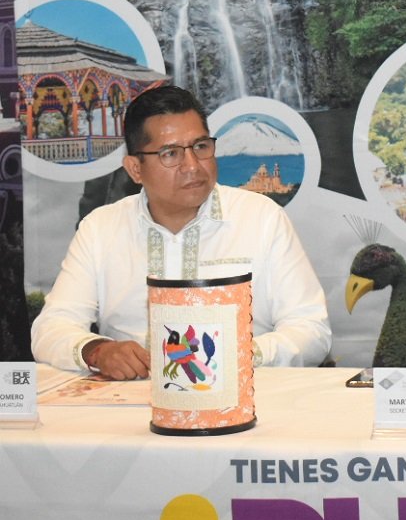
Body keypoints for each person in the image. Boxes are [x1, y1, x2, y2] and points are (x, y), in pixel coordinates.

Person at [31, 86, 331, 379]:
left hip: (246, 397)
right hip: (132, 406)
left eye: (201, 147)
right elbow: (52, 327)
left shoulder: (261, 218)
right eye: (170, 154)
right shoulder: (101, 228)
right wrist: (96, 351)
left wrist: (240, 354)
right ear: (135, 169)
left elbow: (310, 329)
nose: (192, 166)